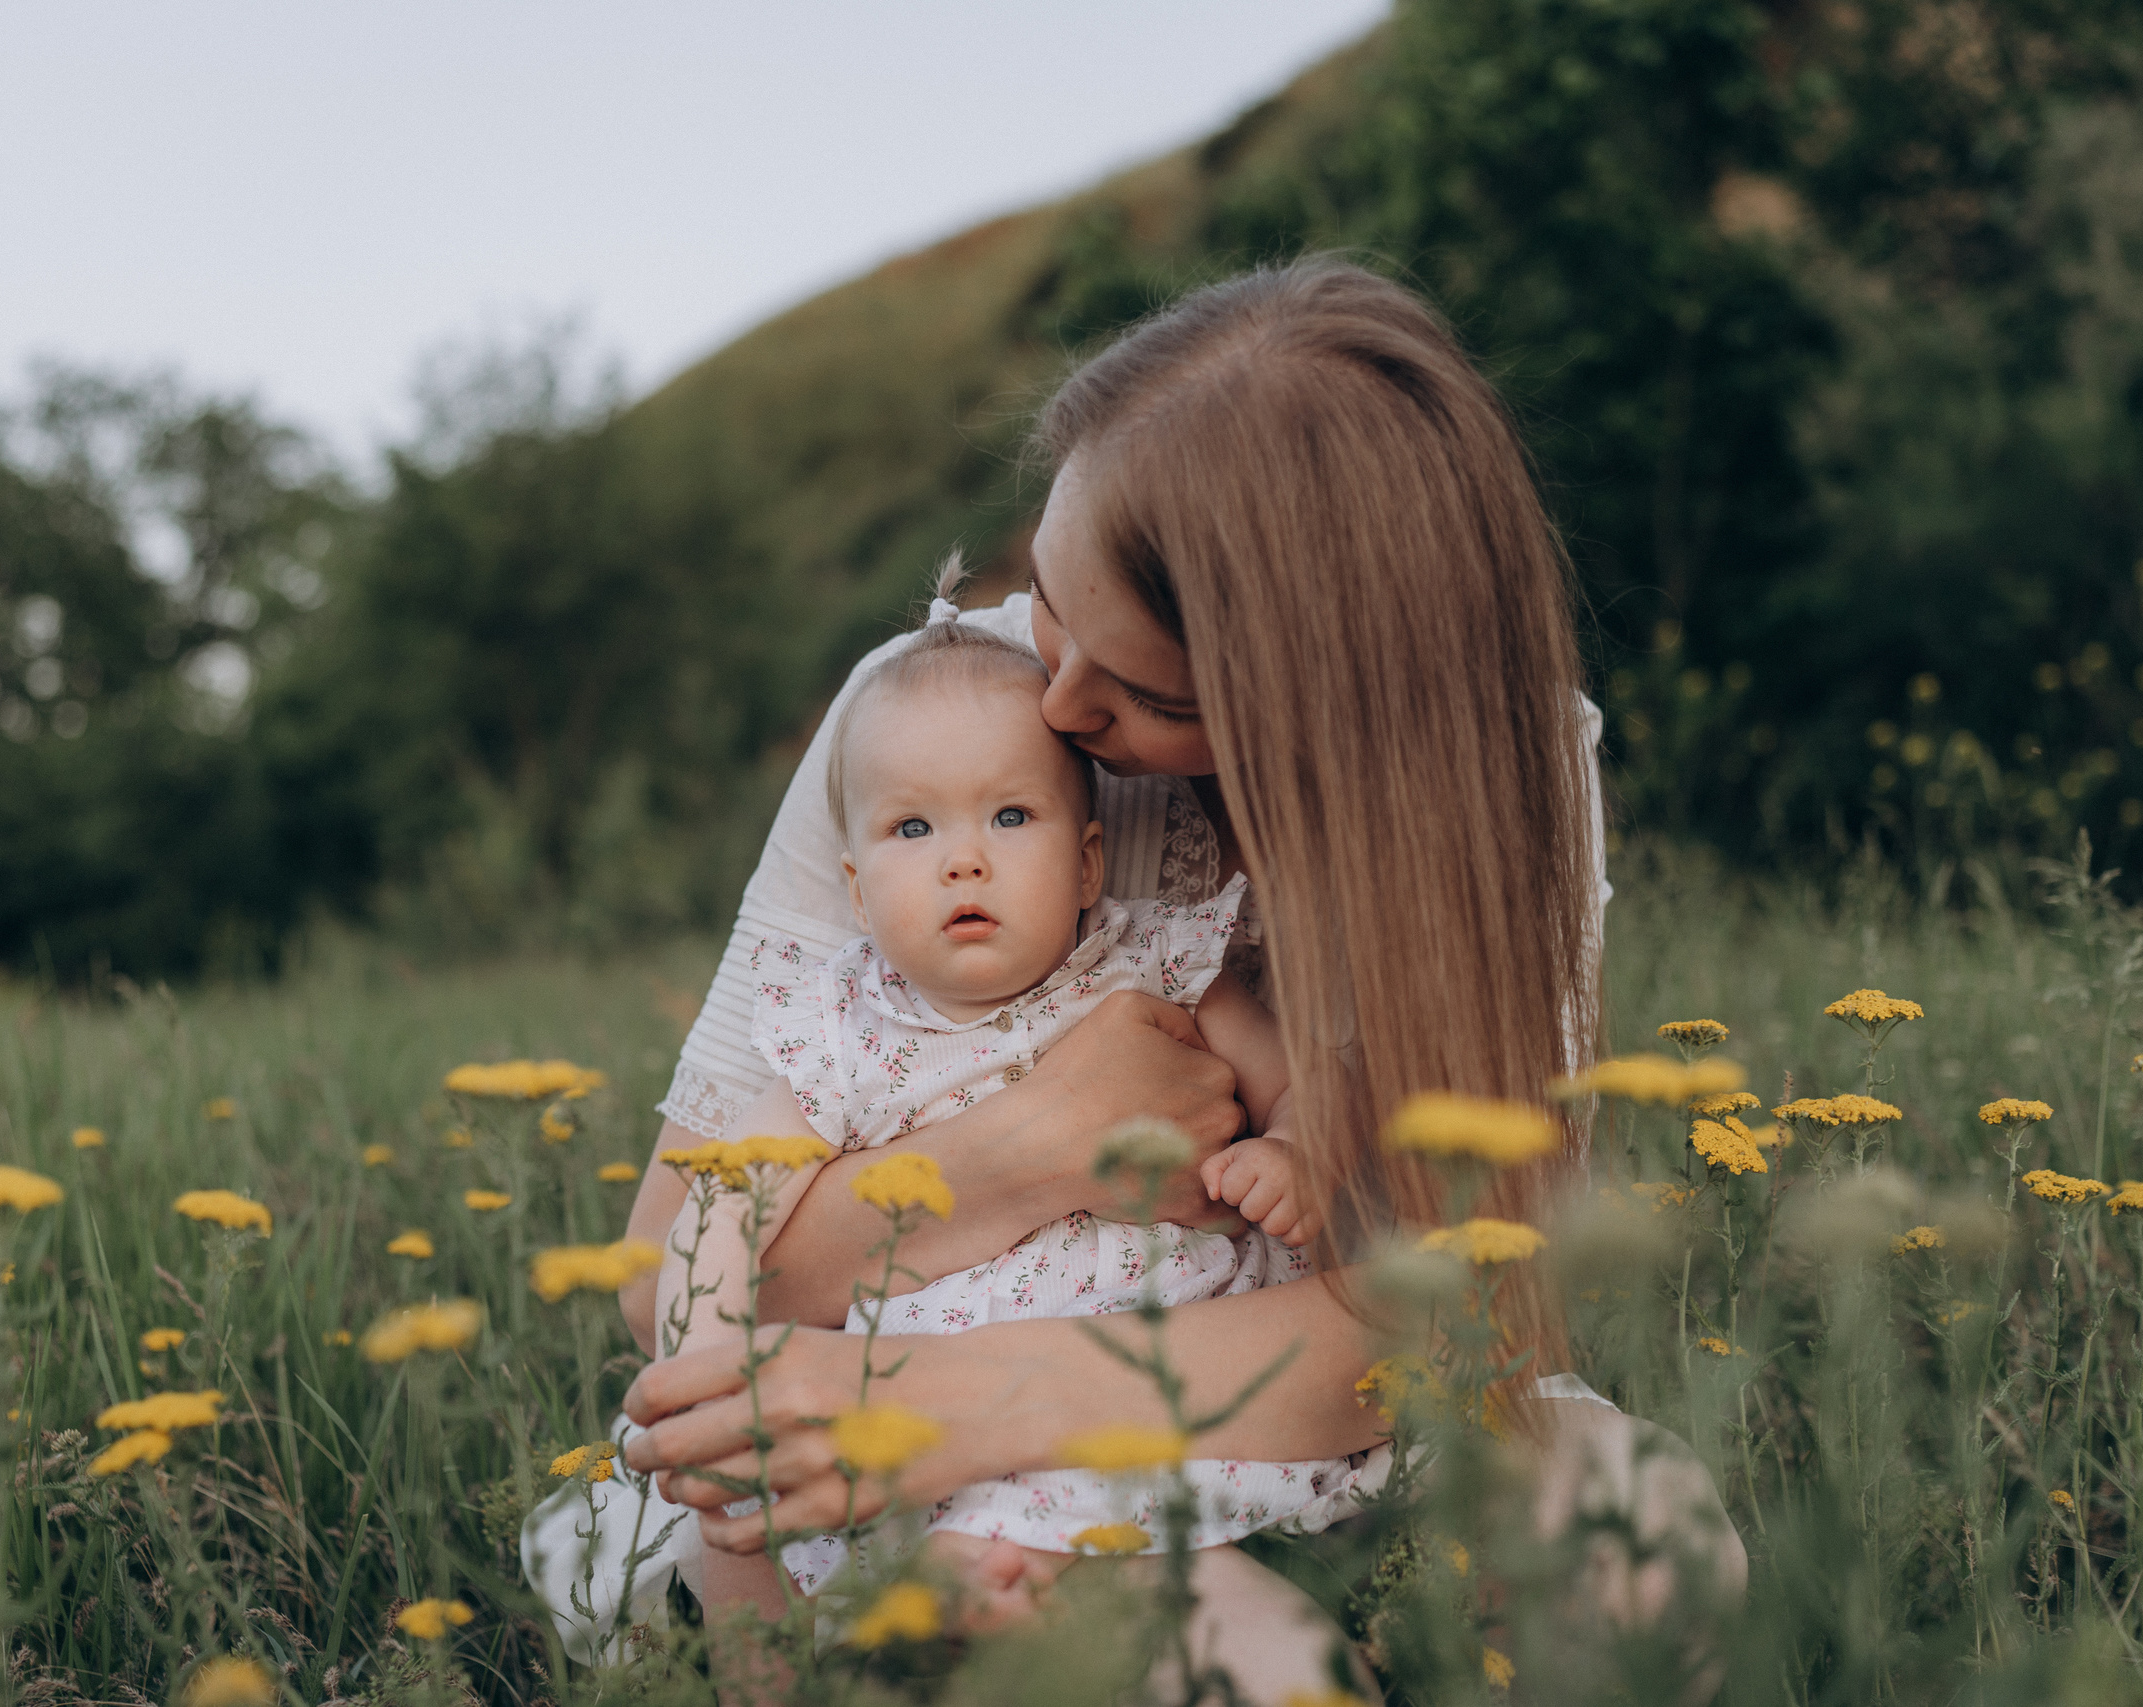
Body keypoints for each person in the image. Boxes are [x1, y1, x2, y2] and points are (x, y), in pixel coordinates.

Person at [615, 257, 1747, 1699]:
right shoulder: (936, 716)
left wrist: (950, 1401)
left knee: (1647, 1558)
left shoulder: (1502, 781)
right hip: (897, 1464)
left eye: (1150, 694)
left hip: (1339, 1430)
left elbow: (1456, 1311)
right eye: (1051, 599)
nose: (1061, 703)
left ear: (1324, 706)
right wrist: (1026, 1152)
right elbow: (668, 1267)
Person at [656, 569, 1366, 1631]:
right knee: (799, 1551)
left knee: (1136, 1573)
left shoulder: (1153, 964)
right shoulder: (841, 1030)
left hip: (1162, 1367)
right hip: (926, 1391)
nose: (964, 862)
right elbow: (723, 1198)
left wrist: (1294, 1152)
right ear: (854, 891)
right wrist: (709, 1350)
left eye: (1009, 814)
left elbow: (1298, 1085)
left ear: (1088, 864)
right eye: (912, 832)